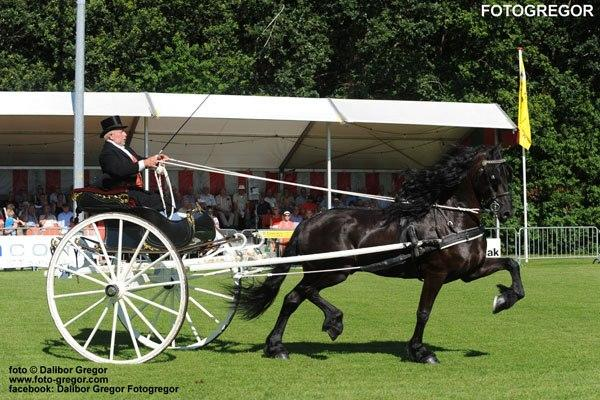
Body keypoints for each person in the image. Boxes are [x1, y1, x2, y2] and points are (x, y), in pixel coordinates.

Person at [98, 116, 170, 211]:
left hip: (134, 191)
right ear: (111, 136)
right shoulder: (107, 153)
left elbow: (138, 159)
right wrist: (145, 163)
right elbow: (120, 170)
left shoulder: (125, 148)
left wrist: (155, 159)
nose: (125, 134)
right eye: (121, 132)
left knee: (166, 199)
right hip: (124, 194)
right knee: (165, 203)